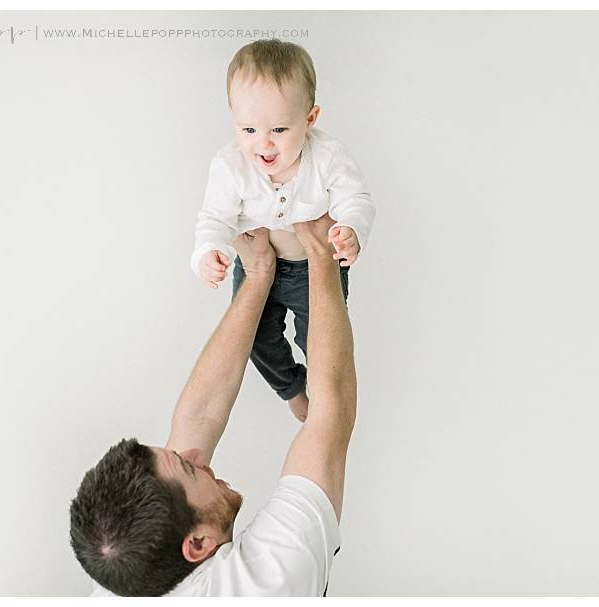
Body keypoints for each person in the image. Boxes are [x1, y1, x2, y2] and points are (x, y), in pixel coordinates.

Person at [70, 212, 357, 596]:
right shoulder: (266, 582)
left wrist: (257, 274)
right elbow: (329, 414)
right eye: (190, 468)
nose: (192, 452)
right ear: (198, 544)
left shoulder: (123, 565)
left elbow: (199, 417)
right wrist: (319, 251)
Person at [190, 38, 376, 423]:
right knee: (255, 341)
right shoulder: (230, 165)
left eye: (278, 128)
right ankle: (292, 388)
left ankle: (326, 399)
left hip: (312, 269)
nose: (264, 143)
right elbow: (214, 217)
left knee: (322, 341)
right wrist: (208, 251)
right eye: (248, 129)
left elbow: (355, 198)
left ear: (309, 120)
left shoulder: (328, 156)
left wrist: (350, 228)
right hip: (257, 269)